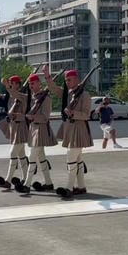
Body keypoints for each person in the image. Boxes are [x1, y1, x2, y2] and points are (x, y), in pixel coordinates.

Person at [44, 66, 94, 198]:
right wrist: (47, 77)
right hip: (70, 129)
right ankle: (81, 187)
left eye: (70, 80)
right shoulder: (68, 94)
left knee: (71, 158)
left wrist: (73, 113)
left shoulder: (85, 95)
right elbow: (53, 89)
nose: (67, 82)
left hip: (79, 129)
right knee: (77, 159)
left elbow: (86, 115)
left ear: (76, 80)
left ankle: (69, 187)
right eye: (66, 80)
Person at [6, 73, 58, 194]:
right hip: (33, 130)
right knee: (41, 158)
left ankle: (27, 184)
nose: (31, 86)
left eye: (33, 83)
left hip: (41, 130)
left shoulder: (46, 99)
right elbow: (15, 94)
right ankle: (49, 183)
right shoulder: (31, 97)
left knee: (32, 157)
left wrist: (33, 117)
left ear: (39, 84)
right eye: (29, 84)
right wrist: (8, 87)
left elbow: (45, 117)